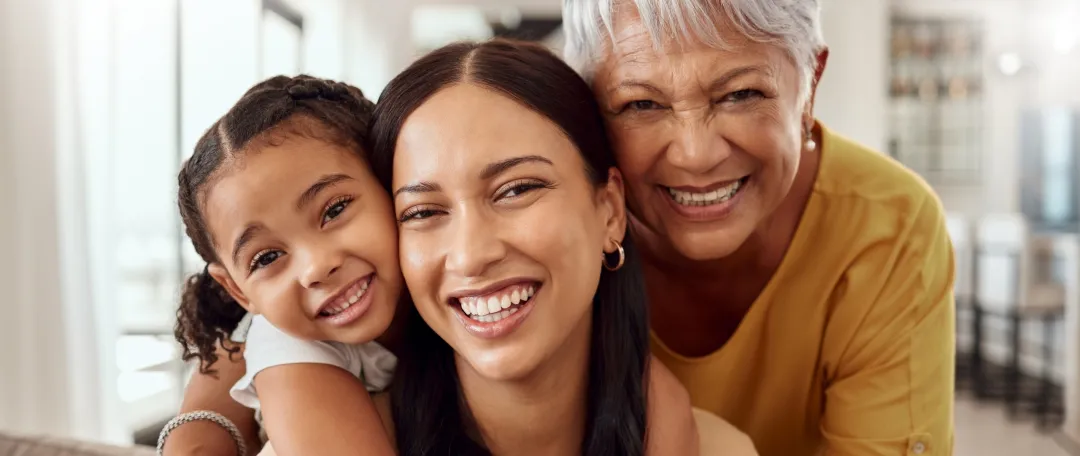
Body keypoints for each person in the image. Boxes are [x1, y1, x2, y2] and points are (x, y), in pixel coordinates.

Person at [161, 49, 752, 455]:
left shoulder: (668, 413)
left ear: (610, 210)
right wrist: (201, 430)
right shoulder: (293, 350)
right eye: (424, 211)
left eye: (517, 189)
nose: (469, 254)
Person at [560, 0, 956, 455]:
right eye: (642, 104)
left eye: (740, 95)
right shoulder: (554, 233)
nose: (696, 154)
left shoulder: (888, 225)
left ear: (810, 85)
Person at [167, 75, 401, 455]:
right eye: (268, 257)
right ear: (239, 291)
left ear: (392, 182)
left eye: (335, 210)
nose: (316, 267)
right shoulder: (285, 342)